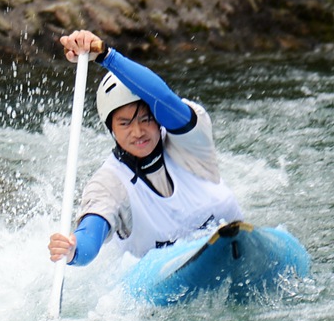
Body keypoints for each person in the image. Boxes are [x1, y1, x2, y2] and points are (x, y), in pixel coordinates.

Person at [47, 29, 243, 266]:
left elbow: (164, 99)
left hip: (234, 246)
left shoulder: (191, 139)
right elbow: (91, 235)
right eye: (125, 123)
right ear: (111, 129)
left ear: (158, 117)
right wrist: (73, 249)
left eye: (146, 119)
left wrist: (105, 55)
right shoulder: (109, 183)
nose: (138, 132)